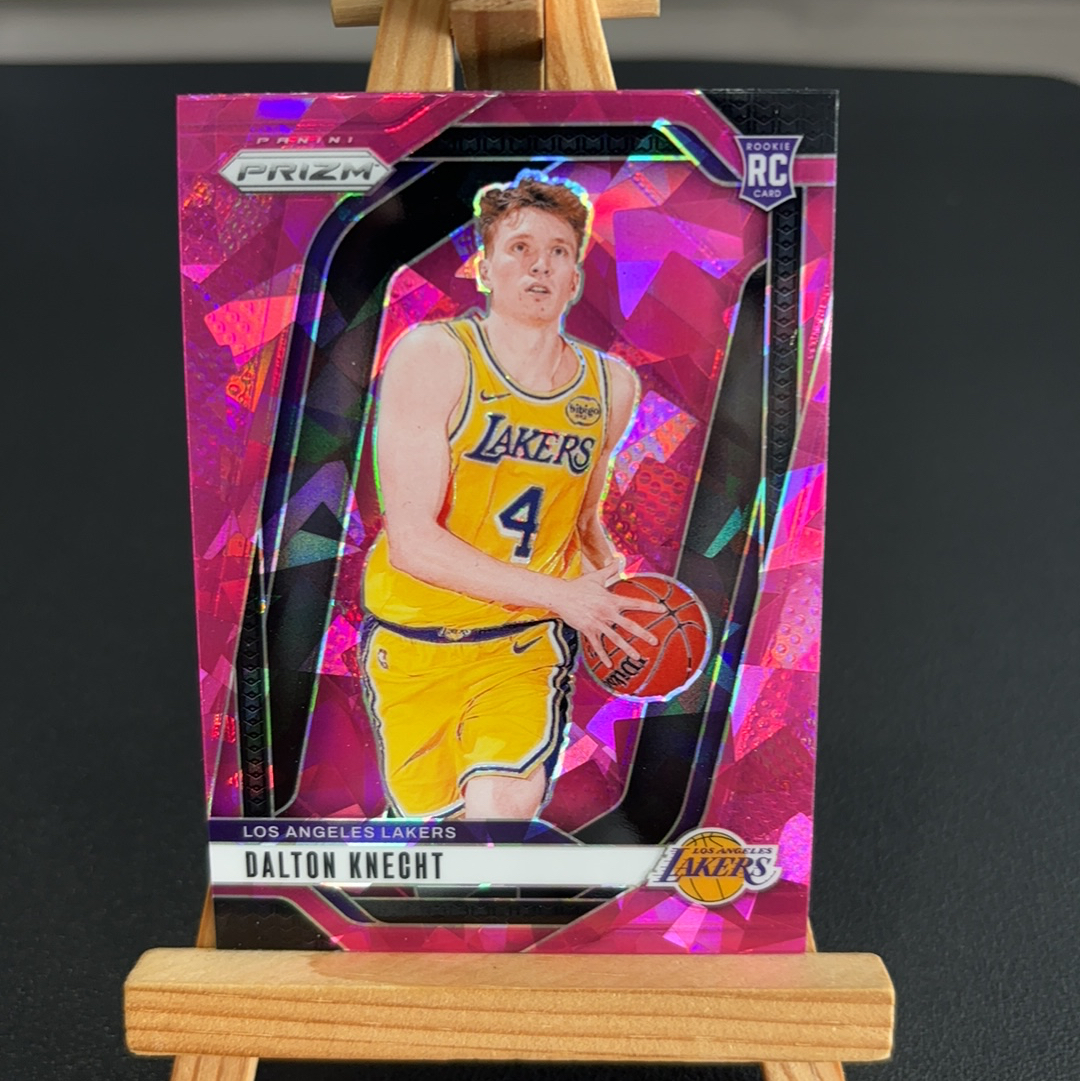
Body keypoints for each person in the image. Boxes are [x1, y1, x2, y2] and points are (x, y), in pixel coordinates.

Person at [361, 173, 663, 821]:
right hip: (412, 645)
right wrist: (564, 595)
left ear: (575, 278)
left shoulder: (611, 387)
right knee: (436, 840)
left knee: (499, 811)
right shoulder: (433, 356)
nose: (540, 265)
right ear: (483, 268)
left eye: (558, 251)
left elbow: (580, 517)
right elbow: (412, 542)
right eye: (520, 248)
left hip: (521, 645)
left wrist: (609, 586)